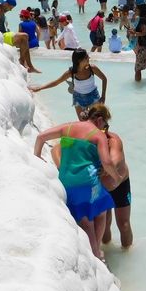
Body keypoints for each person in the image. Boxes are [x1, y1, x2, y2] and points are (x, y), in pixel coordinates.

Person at [33, 104, 119, 261]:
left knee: (93, 214)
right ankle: (95, 254)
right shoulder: (98, 135)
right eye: (105, 124)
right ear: (99, 120)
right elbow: (106, 162)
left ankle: (96, 251)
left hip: (66, 181)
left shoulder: (68, 127)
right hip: (88, 181)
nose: (104, 128)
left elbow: (40, 138)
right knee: (98, 212)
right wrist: (117, 177)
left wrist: (37, 157)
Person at [30, 48, 108, 119]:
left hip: (93, 96)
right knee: (83, 121)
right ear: (79, 60)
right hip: (78, 98)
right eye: (86, 57)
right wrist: (40, 88)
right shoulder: (71, 72)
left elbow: (104, 79)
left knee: (96, 120)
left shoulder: (92, 68)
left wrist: (103, 96)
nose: (89, 58)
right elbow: (57, 82)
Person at [99, 125, 133, 249]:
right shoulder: (89, 140)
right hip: (103, 187)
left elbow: (116, 160)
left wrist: (105, 168)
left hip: (121, 185)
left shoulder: (114, 140)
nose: (104, 131)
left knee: (124, 224)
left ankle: (128, 253)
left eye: (105, 127)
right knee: (105, 224)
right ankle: (107, 249)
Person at [0, 0, 40, 73]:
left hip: (5, 34)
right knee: (25, 36)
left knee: (25, 41)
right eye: (10, 7)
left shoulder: (0, 9)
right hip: (0, 36)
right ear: (6, 4)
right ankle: (22, 61)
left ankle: (30, 66)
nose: (11, 10)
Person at [127, 3, 146, 82]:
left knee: (138, 69)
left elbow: (144, 33)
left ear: (140, 10)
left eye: (136, 9)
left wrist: (134, 33)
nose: (134, 10)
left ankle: (138, 89)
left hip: (142, 47)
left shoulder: (142, 19)